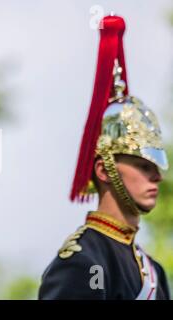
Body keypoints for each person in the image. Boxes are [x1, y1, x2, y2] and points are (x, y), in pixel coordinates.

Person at [38, 14, 170, 300]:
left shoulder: (155, 272)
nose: (157, 176)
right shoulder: (82, 260)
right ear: (104, 170)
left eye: (156, 166)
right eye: (142, 165)